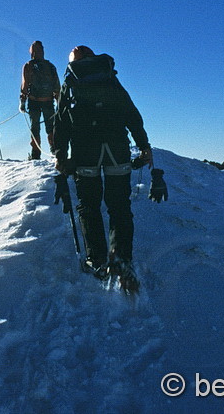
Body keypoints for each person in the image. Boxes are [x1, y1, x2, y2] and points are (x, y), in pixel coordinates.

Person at [51, 45, 152, 290]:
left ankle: (96, 261)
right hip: (117, 150)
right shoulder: (110, 79)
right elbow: (131, 114)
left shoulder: (71, 83)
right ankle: (121, 258)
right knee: (119, 207)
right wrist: (144, 146)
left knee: (89, 206)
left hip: (85, 153)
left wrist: (60, 154)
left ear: (73, 61)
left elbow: (61, 122)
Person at [19, 40, 59, 160]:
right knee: (51, 126)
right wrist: (59, 101)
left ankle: (35, 154)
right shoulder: (50, 66)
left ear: (31, 52)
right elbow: (56, 85)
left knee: (34, 127)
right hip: (48, 101)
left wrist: (22, 101)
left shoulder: (28, 65)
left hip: (33, 101)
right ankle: (54, 150)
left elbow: (25, 84)